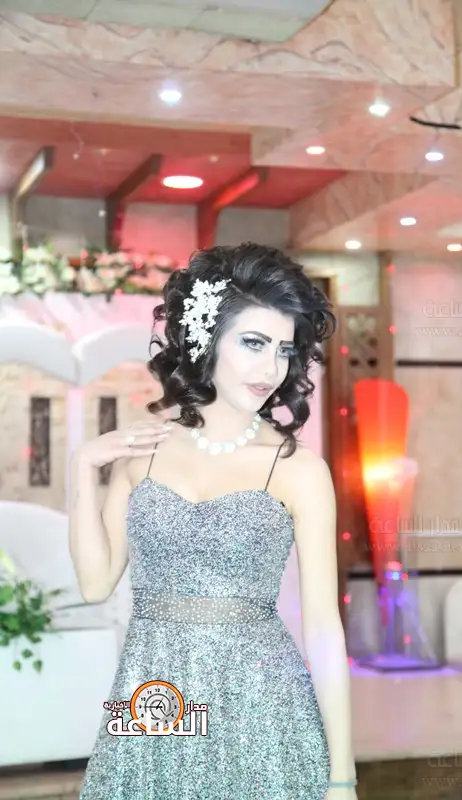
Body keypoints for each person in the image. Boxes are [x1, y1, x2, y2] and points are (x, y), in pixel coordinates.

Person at [69, 242, 358, 799]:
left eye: (283, 349)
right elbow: (94, 584)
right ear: (206, 337)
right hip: (154, 698)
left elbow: (324, 629)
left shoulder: (297, 470)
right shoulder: (143, 454)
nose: (270, 368)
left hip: (263, 709)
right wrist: (82, 466)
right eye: (253, 343)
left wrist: (342, 777)